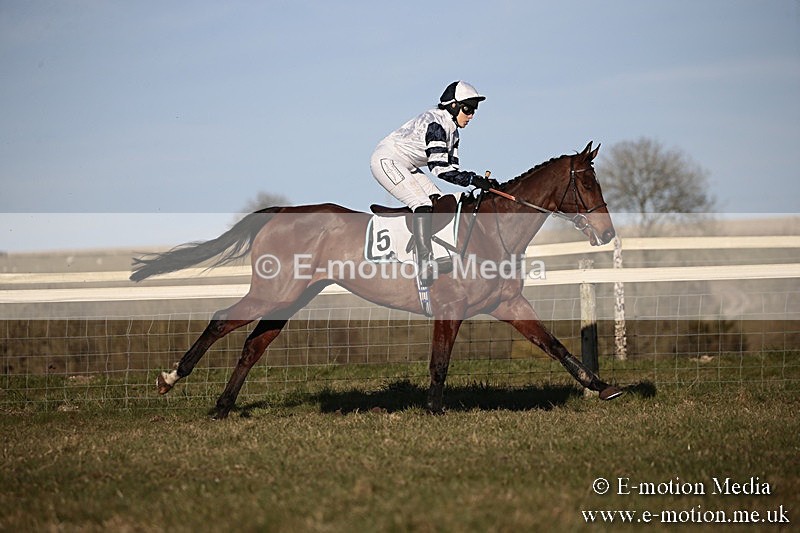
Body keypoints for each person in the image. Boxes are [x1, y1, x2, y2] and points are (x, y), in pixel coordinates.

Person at [370, 80, 497, 287]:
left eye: (474, 110)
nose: (472, 115)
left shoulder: (453, 132)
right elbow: (439, 170)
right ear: (454, 106)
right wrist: (474, 179)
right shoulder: (437, 125)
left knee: (441, 202)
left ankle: (438, 254)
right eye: (468, 109)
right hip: (386, 160)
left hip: (407, 164)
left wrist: (478, 182)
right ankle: (424, 262)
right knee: (423, 204)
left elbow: (452, 171)